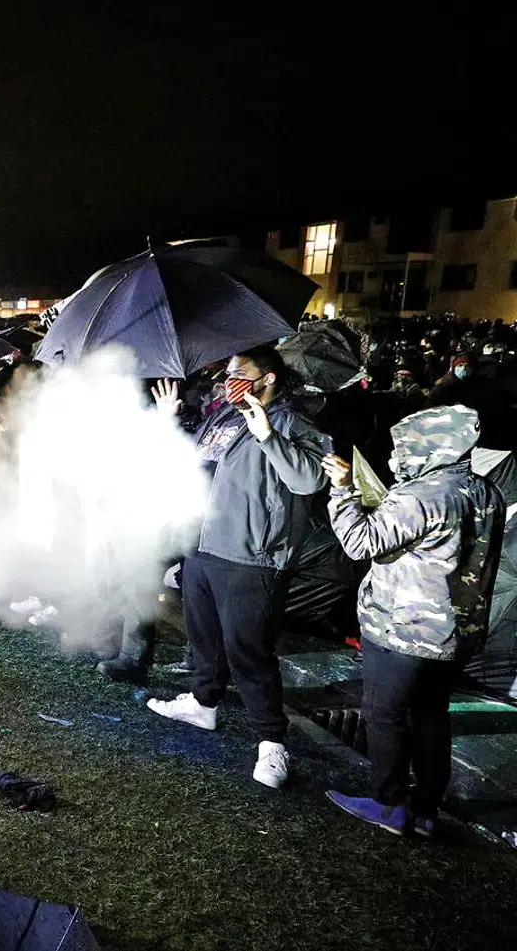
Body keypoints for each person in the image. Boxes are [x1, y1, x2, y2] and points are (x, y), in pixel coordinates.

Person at [146, 346, 331, 788]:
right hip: (203, 545)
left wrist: (268, 435)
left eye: (238, 373)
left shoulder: (292, 423)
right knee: (203, 637)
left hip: (253, 557)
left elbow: (309, 480)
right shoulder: (222, 417)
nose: (228, 380)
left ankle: (272, 744)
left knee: (249, 651)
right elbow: (191, 464)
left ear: (266, 379)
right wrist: (169, 420)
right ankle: (202, 704)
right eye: (226, 373)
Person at [320, 406, 504, 837]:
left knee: (383, 715)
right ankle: (425, 811)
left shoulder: (420, 495)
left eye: (406, 445)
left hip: (402, 631)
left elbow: (360, 542)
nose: (397, 453)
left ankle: (389, 806)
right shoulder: (485, 492)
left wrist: (343, 491)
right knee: (431, 716)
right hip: (456, 633)